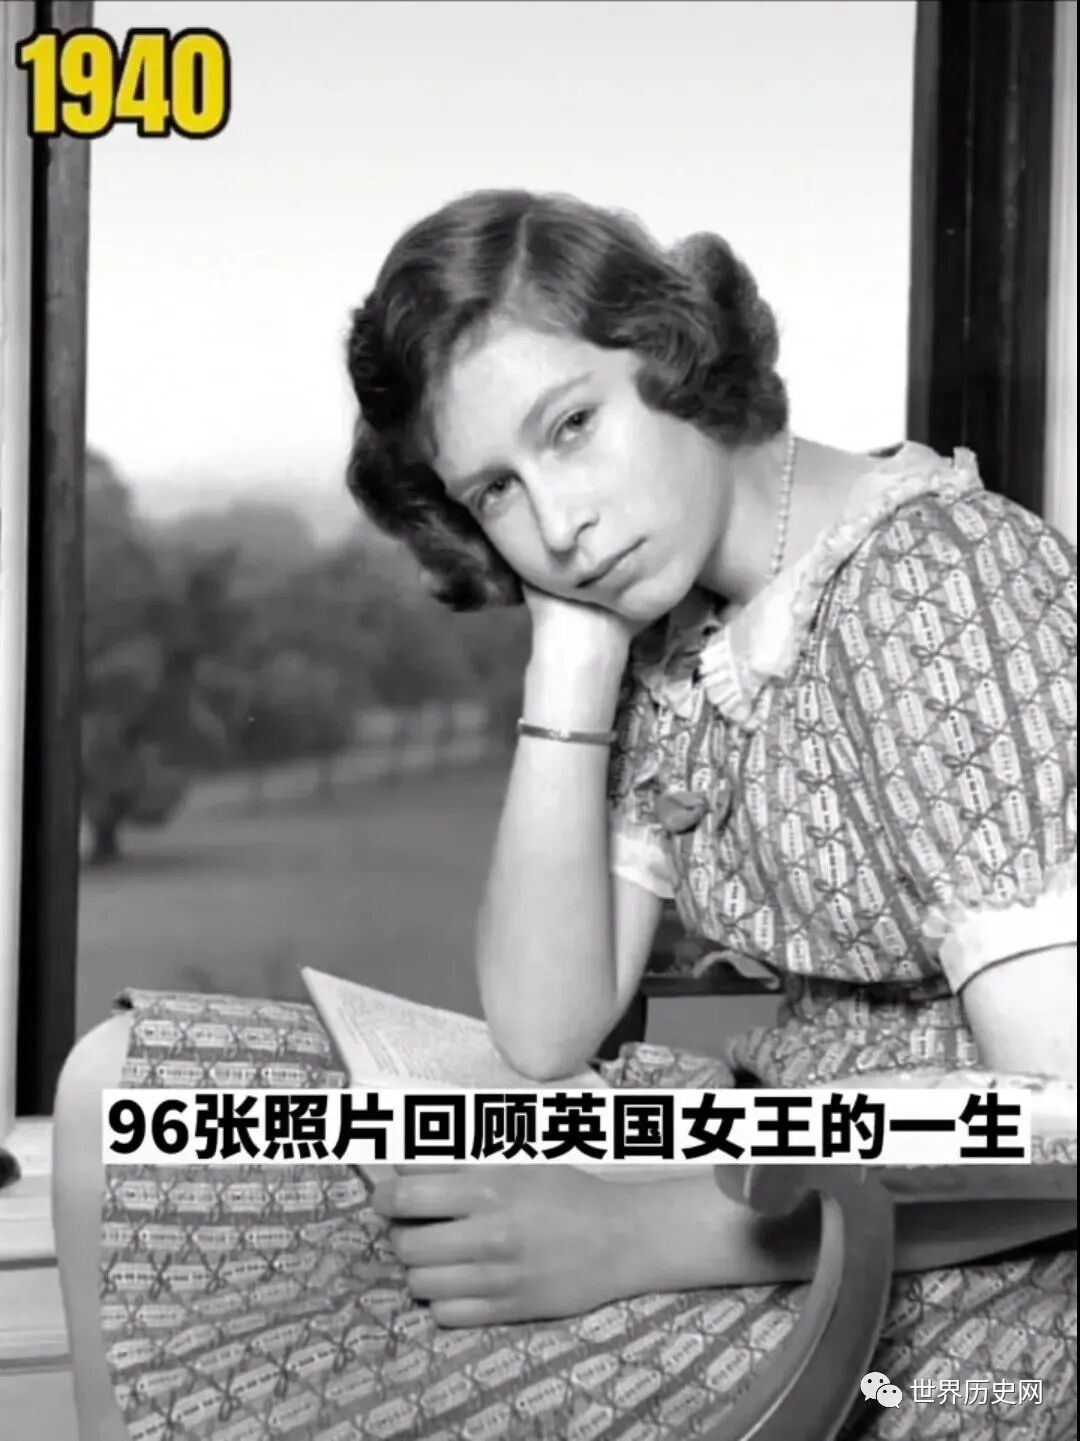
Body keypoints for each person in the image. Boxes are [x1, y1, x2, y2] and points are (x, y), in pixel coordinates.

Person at [57, 189, 1075, 1441]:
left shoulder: (943, 582)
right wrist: (573, 661)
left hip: (953, 1278)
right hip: (762, 1146)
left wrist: (639, 1232)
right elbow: (546, 1030)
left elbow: (1062, 1124)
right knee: (123, 1096)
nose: (558, 525)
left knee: (381, 1359)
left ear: (676, 352)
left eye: (573, 426)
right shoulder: (676, 632)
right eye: (496, 491)